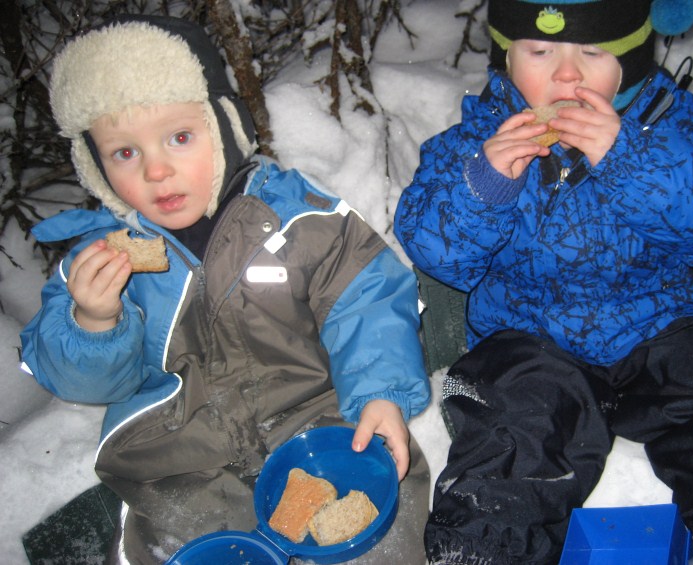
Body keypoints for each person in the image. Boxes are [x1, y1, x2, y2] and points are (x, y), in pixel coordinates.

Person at [20, 14, 431, 564]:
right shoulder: (99, 263)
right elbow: (81, 380)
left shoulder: (294, 217)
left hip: (313, 424)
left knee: (384, 522)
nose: (157, 171)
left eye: (180, 137)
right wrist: (94, 324)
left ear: (224, 126)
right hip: (180, 461)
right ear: (94, 167)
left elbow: (367, 294)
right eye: (124, 153)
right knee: (186, 548)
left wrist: (380, 389)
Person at [393, 0, 693, 563]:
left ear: (632, 56)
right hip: (530, 334)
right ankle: (487, 548)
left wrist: (629, 157)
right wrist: (484, 185)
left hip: (667, 315)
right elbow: (437, 254)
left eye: (593, 51)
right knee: (512, 433)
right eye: (540, 50)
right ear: (507, 54)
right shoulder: (474, 141)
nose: (565, 73)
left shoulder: (673, 120)